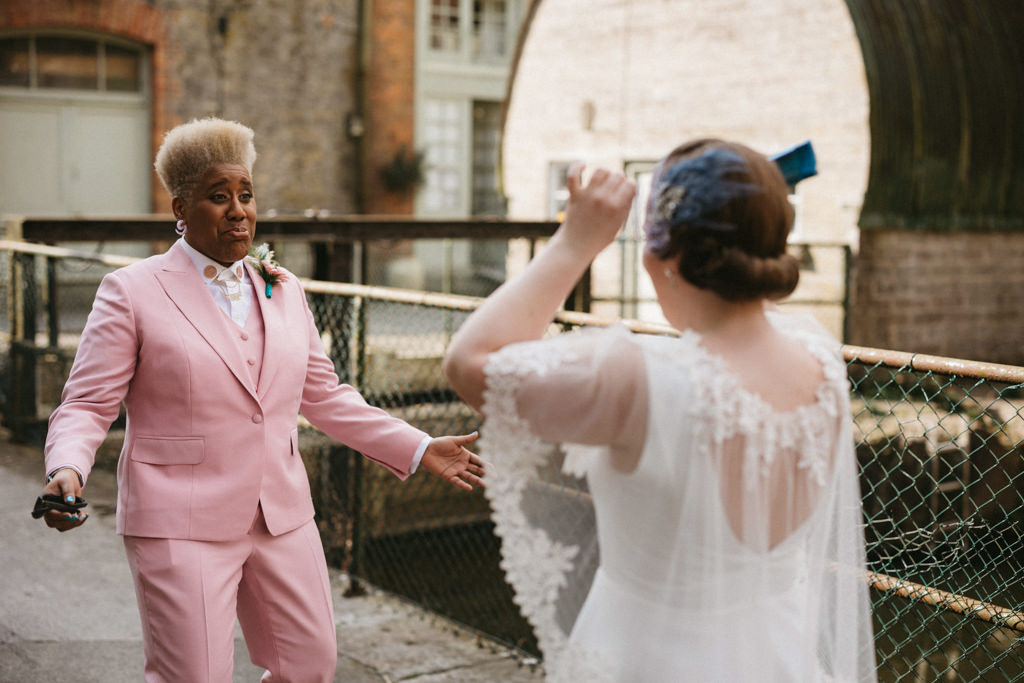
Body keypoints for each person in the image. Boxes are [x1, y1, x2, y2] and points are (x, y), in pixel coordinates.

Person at [37, 117, 484, 683]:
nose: (238, 210)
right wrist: (68, 468)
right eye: (218, 197)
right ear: (181, 207)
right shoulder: (131, 291)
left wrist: (418, 447)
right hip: (181, 516)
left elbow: (324, 396)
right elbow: (86, 404)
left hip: (282, 513)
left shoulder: (282, 287)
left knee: (312, 667)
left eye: (246, 195)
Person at [443, 139, 877, 681]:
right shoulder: (820, 361)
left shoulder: (638, 377)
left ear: (661, 257)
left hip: (646, 658)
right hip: (779, 655)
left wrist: (574, 242)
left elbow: (468, 363)